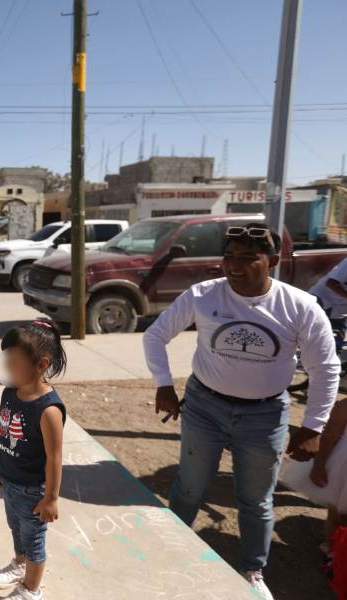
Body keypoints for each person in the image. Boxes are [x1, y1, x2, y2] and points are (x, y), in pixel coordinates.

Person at [143, 223, 341, 600]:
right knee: (189, 486)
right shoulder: (202, 295)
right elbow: (155, 334)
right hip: (204, 405)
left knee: (255, 498)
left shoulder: (300, 307)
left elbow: (325, 368)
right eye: (229, 256)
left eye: (248, 258)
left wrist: (314, 426)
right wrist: (164, 384)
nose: (234, 266)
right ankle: (169, 549)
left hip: (264, 416)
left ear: (273, 261)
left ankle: (252, 569)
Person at [0, 321, 66, 600]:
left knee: (34, 540)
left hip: (33, 491)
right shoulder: (9, 392)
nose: (7, 366)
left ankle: (31, 589)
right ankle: (20, 564)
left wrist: (52, 498)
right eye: (6, 359)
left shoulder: (48, 410)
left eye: (14, 361)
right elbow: (2, 432)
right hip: (8, 481)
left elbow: (55, 458)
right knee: (16, 528)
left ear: (41, 363)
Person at [280, 398, 347, 572]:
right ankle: (333, 550)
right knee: (338, 513)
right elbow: (328, 438)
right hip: (342, 468)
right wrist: (319, 466)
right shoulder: (344, 406)